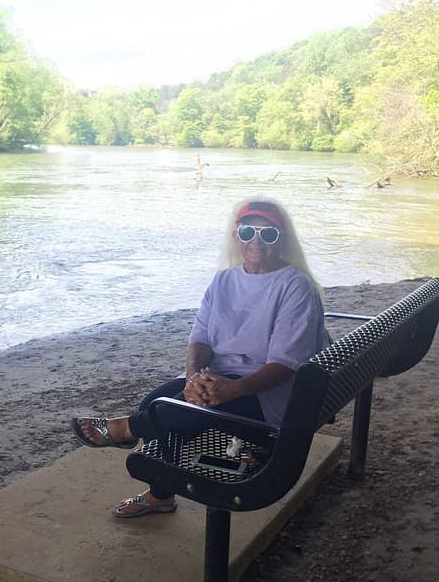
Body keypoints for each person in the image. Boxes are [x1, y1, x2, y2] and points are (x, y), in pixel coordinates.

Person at [71, 198, 328, 519]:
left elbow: (284, 364)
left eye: (268, 234)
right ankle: (161, 495)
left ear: (282, 238)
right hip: (217, 378)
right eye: (248, 231)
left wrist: (233, 390)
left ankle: (126, 429)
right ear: (236, 235)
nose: (256, 241)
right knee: (156, 402)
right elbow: (201, 339)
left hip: (267, 394)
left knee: (172, 414)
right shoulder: (223, 281)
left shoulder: (295, 286)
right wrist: (194, 377)